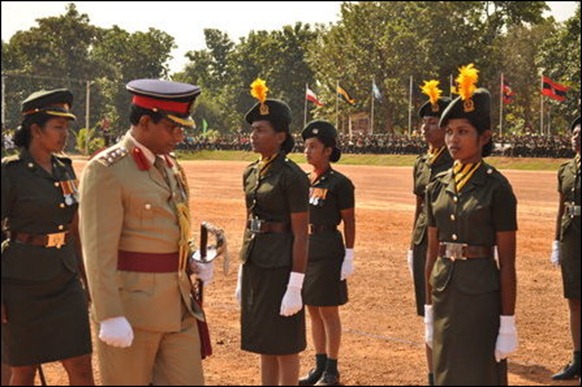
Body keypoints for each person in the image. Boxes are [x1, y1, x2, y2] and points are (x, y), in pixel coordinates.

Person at [79, 79, 217, 385]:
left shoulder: (170, 166)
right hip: (132, 313)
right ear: (144, 121)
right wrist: (109, 314)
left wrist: (192, 258)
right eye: (173, 127)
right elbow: (96, 251)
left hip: (178, 306)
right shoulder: (107, 170)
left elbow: (173, 228)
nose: (180, 135)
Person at [424, 64, 518, 385]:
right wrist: (428, 306)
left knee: (479, 373)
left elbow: (507, 263)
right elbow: (432, 251)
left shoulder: (497, 187)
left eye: (463, 131)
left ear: (485, 136)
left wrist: (508, 322)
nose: (453, 139)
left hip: (480, 293)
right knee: (446, 369)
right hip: (444, 289)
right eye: (449, 131)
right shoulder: (436, 184)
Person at [1, 89, 94, 385]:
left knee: (80, 363)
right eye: (58, 127)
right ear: (36, 130)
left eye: (66, 127)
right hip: (21, 283)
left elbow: (75, 229)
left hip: (64, 279)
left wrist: (85, 279)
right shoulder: (10, 172)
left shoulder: (64, 169)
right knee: (24, 369)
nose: (65, 133)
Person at [235, 79, 310, 385]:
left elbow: (301, 233)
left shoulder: (292, 176)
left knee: (285, 342)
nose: (253, 135)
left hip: (281, 263)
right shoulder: (251, 172)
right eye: (252, 129)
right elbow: (248, 220)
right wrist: (242, 267)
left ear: (281, 136)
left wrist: (296, 284)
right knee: (265, 338)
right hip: (257, 261)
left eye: (261, 130)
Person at [298, 120, 355, 386]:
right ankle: (319, 365)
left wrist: (350, 254)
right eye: (306, 146)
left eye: (313, 147)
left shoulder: (340, 183)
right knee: (312, 309)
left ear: (328, 151)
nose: (307, 151)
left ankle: (332, 369)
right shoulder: (304, 180)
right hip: (307, 247)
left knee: (328, 311)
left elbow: (350, 222)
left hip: (329, 247)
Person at [407, 81, 452, 386]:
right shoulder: (421, 162)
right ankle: (432, 375)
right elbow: (419, 206)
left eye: (433, 123)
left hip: (450, 241)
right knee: (428, 313)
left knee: (449, 313)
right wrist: (412, 245)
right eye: (423, 122)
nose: (425, 128)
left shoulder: (455, 160)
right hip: (424, 240)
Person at [549, 115, 580, 381]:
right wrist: (556, 241)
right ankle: (578, 359)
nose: (577, 137)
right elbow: (561, 208)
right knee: (574, 299)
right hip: (571, 236)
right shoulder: (565, 169)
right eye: (574, 133)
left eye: (581, 133)